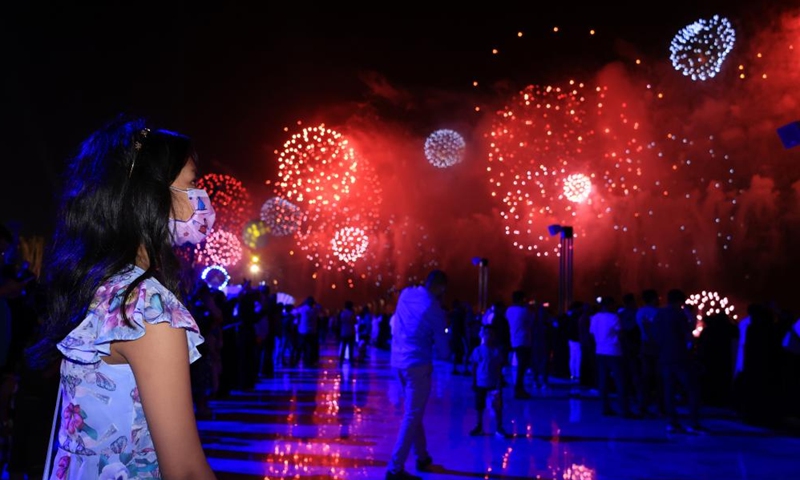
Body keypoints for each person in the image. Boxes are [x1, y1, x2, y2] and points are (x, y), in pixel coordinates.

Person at [27, 116, 218, 479]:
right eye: (192, 184)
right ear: (151, 194)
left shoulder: (98, 283)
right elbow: (186, 471)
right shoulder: (147, 309)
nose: (202, 200)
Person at [386, 269, 450, 480]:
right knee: (412, 414)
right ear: (440, 287)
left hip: (398, 362)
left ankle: (422, 457)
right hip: (417, 364)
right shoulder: (434, 308)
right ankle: (395, 469)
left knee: (414, 411)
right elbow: (443, 349)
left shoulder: (406, 294)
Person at [468, 324, 510, 438]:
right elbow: (474, 366)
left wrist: (500, 382)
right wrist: (474, 381)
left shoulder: (496, 351)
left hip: (493, 383)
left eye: (491, 334)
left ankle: (499, 426)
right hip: (481, 382)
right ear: (482, 335)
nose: (488, 336)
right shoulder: (478, 351)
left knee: (497, 405)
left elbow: (499, 368)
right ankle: (479, 425)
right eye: (486, 334)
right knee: (479, 405)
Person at [504, 290, 533, 398]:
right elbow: (531, 322)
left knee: (521, 365)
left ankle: (518, 387)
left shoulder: (509, 310)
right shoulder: (524, 311)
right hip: (524, 340)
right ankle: (519, 389)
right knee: (522, 366)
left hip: (514, 339)